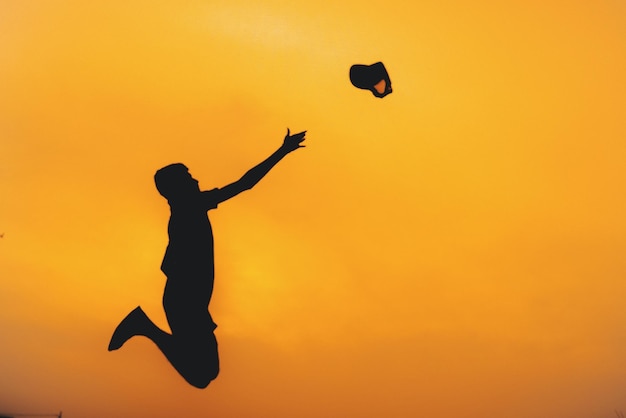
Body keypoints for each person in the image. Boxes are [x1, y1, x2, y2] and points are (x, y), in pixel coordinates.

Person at [108, 129, 307, 388]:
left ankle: (143, 325)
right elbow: (244, 184)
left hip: (189, 301)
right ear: (177, 188)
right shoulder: (189, 207)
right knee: (204, 374)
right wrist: (282, 151)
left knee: (206, 372)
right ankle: (143, 326)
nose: (196, 180)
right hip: (184, 302)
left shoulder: (187, 208)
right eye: (189, 178)